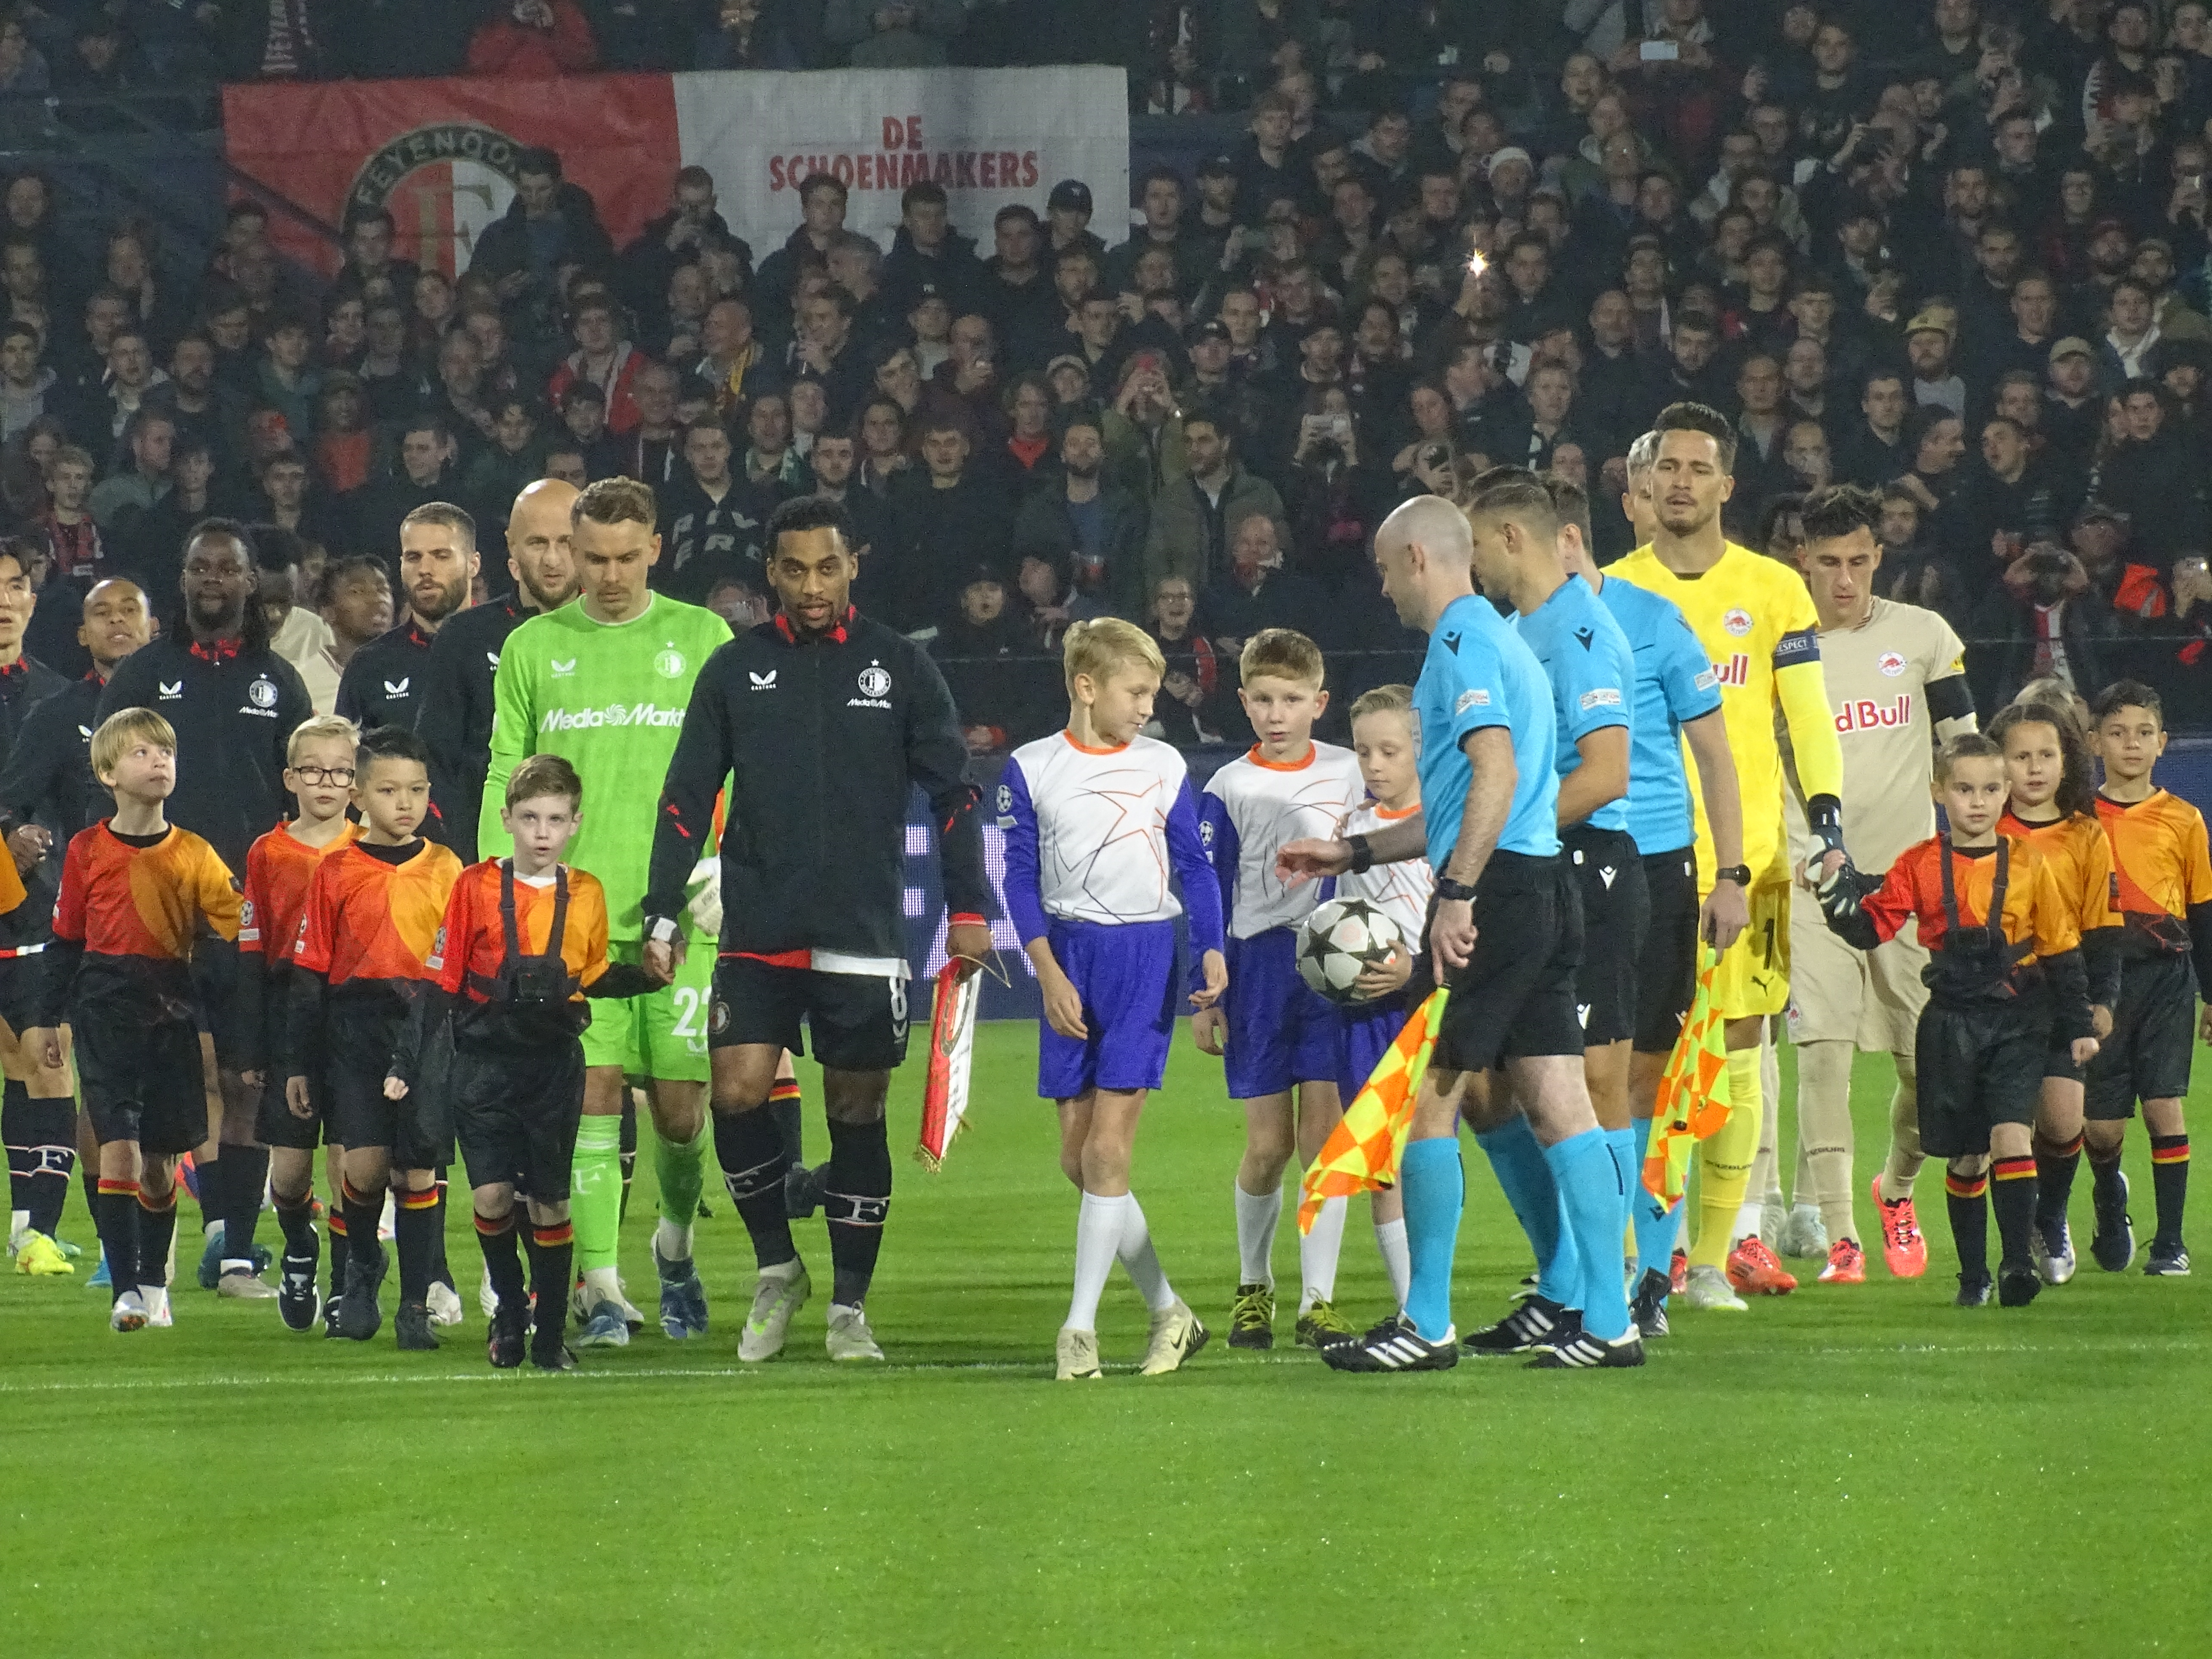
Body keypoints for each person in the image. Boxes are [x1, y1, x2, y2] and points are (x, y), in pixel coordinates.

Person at [1282, 493, 1642, 1372]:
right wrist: (1356, 852)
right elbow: (1468, 802)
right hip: (1543, 881)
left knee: (1432, 1098)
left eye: (1382, 569)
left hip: (1506, 896)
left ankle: (1428, 1322)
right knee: (1559, 1100)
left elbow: (1495, 770)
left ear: (1415, 559)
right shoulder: (1502, 639)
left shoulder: (1463, 642)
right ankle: (1610, 1319)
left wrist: (1456, 893)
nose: (1382, 589)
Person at [643, 495, 993, 1365]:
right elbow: (687, 796)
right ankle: (776, 1268)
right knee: (736, 1093)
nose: (811, 586)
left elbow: (955, 796)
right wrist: (660, 905)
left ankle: (849, 1308)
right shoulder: (734, 669)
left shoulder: (900, 669)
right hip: (760, 925)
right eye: (793, 570)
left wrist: (971, 910)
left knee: (855, 1111)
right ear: (771, 573)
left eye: (826, 568)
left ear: (852, 568)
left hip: (864, 930)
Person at [1608, 403, 1851, 1312]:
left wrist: (1824, 806)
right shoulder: (1609, 591)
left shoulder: (1775, 589)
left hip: (1750, 860)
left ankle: (1709, 1256)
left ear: (1727, 484)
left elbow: (1807, 710)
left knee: (1740, 1047)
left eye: (1699, 467)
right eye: (1666, 466)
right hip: (1639, 857)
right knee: (1635, 1061)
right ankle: (1636, 1254)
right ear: (1638, 487)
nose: (1682, 481)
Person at [481, 477, 733, 1347]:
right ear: (569, 552)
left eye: (627, 559)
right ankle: (603, 1288)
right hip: (571, 917)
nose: (610, 576)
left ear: (656, 549)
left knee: (679, 1111)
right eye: (593, 559)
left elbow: (737, 767)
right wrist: (499, 891)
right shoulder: (533, 648)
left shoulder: (705, 638)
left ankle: (674, 1244)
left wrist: (725, 859)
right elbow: (504, 771)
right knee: (586, 1098)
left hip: (683, 916)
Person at [998, 619, 1223, 1380]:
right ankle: (1170, 1309)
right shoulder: (1030, 768)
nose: (1145, 706)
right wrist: (1047, 973)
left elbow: (1194, 867)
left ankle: (1079, 1329)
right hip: (1068, 954)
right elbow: (1017, 879)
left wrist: (1211, 947)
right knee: (1079, 1158)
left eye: (1152, 692)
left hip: (1144, 954)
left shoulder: (1162, 763)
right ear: (1085, 687)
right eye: (1135, 691)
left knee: (1106, 1149)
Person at [1551, 473, 1746, 1341]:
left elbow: (1715, 754)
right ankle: (1596, 1263)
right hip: (1554, 859)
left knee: (1648, 1079)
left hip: (1657, 865)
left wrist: (1731, 873)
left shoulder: (1655, 622)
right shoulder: (1520, 631)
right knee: (1566, 1078)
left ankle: (1649, 1274)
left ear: (1564, 538)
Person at [1452, 467, 1640, 1361]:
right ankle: (1566, 1278)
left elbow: (1607, 773)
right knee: (1494, 1089)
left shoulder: (1578, 630)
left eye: (1477, 543)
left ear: (1511, 539)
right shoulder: (1523, 630)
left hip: (1588, 871)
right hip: (1538, 870)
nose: (1471, 562)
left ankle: (1611, 1293)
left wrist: (1499, 837)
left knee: (1578, 1094)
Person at [98, 519, 311, 1295]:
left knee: (248, 1072)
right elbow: (109, 788)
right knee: (187, 1073)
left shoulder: (276, 680)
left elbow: (302, 795)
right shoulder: (142, 674)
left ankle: (232, 1241)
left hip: (251, 911)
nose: (213, 578)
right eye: (199, 567)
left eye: (228, 567)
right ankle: (179, 1217)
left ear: (251, 582)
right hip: (162, 915)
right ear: (181, 581)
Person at [1815, 734, 2097, 1307]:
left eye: (1991, 789)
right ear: (1938, 792)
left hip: (2019, 1018)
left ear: (2007, 793)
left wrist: (2079, 1025)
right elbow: (1872, 928)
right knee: (1968, 1154)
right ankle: (1974, 1277)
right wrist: (1832, 897)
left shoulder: (2031, 864)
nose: (1978, 802)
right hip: (1949, 1022)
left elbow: (2061, 950)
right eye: (1964, 790)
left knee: (2012, 1135)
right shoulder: (1918, 864)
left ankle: (2017, 1263)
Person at [396, 753, 658, 1372]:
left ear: (575, 824)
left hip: (552, 1066)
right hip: (483, 1065)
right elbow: (444, 980)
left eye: (557, 819)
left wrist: (647, 978)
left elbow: (592, 976)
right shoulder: (474, 887)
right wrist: (411, 1061)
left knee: (550, 1204)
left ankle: (546, 1330)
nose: (543, 832)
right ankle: (509, 1311)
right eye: (531, 817)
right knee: (490, 1199)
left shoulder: (587, 892)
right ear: (508, 819)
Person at [1778, 485, 1979, 1287]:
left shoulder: (1923, 636)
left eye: (1857, 560)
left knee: (1923, 1068)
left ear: (1876, 558)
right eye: (1826, 561)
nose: (1843, 578)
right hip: (1809, 876)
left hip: (1909, 883)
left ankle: (1894, 1189)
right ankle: (1840, 1237)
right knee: (1820, 1053)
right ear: (1801, 559)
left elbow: (1962, 746)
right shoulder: (1780, 645)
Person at [26, 708, 237, 1333]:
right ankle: (125, 1292)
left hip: (170, 1015)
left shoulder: (195, 855)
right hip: (105, 1013)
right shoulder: (88, 851)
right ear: (108, 772)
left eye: (166, 752)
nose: (159, 762)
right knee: (118, 1151)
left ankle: (153, 1282)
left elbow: (232, 934)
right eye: (142, 753)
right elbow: (66, 940)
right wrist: (46, 1019)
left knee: (159, 1163)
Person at [1193, 629, 1366, 1350]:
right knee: (1266, 1144)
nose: (1275, 712)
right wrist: (1203, 995)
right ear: (1241, 700)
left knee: (1322, 1139)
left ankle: (1317, 1301)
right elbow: (1205, 888)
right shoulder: (1226, 785)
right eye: (1261, 698)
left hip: (1333, 966)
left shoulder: (1351, 772)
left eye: (1290, 699)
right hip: (1257, 968)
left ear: (1318, 703)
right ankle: (1253, 1285)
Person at [286, 725, 463, 1350]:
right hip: (355, 1028)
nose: (405, 803)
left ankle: (414, 1305)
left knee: (418, 1171)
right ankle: (363, 1264)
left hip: (424, 1028)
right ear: (359, 796)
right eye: (389, 790)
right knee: (362, 1172)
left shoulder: (447, 868)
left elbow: (459, 963)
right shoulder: (335, 870)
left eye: (416, 790)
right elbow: (309, 976)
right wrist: (299, 1064)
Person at [2084, 681, 2212, 1276]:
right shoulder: (2079, 822)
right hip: (2101, 985)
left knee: (2166, 1107)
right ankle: (2111, 1198)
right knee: (2101, 1129)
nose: (2130, 743)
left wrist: (2210, 994)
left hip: (2166, 980)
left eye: (2143, 732)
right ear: (2094, 743)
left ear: (2163, 743)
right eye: (2117, 731)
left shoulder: (2184, 820)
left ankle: (2171, 1243)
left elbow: (2202, 912)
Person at [1990, 701, 2120, 1286]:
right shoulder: (1984, 830)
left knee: (2065, 1123)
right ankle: (1997, 1257)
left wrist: (2103, 1002)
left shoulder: (2086, 835)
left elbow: (2103, 929)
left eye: (2047, 755)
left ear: (2067, 761)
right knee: (1997, 1134)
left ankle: (2051, 1217)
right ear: (2001, 763)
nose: (2035, 768)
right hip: (1997, 1002)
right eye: (2021, 756)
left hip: (2062, 997)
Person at [240, 714, 360, 1331]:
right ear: (290, 778)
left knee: (348, 1163)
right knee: (288, 1176)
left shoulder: (367, 848)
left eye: (340, 772)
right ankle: (299, 1244)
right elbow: (253, 951)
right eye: (313, 770)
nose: (326, 783)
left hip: (350, 1012)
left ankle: (343, 1287)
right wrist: (254, 1044)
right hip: (290, 1010)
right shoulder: (268, 851)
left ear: (356, 783)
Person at [417, 477, 581, 865]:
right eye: (538, 543)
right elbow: (436, 759)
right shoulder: (465, 637)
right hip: (487, 856)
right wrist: (463, 857)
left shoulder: (610, 638)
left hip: (588, 854)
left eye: (567, 543)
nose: (553, 560)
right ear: (512, 546)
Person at [1327, 685, 1427, 1316]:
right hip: (1366, 1012)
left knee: (1432, 1152)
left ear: (1421, 748)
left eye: (1389, 751)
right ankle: (1413, 1303)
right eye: (1364, 752)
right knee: (1383, 1163)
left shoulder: (1449, 824)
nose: (1375, 765)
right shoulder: (1350, 831)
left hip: (1433, 1004)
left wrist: (1414, 972)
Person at [336, 502, 480, 751]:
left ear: (473, 565)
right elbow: (347, 761)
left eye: (441, 556)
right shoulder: (369, 665)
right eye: (414, 558)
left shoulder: (509, 644)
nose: (425, 570)